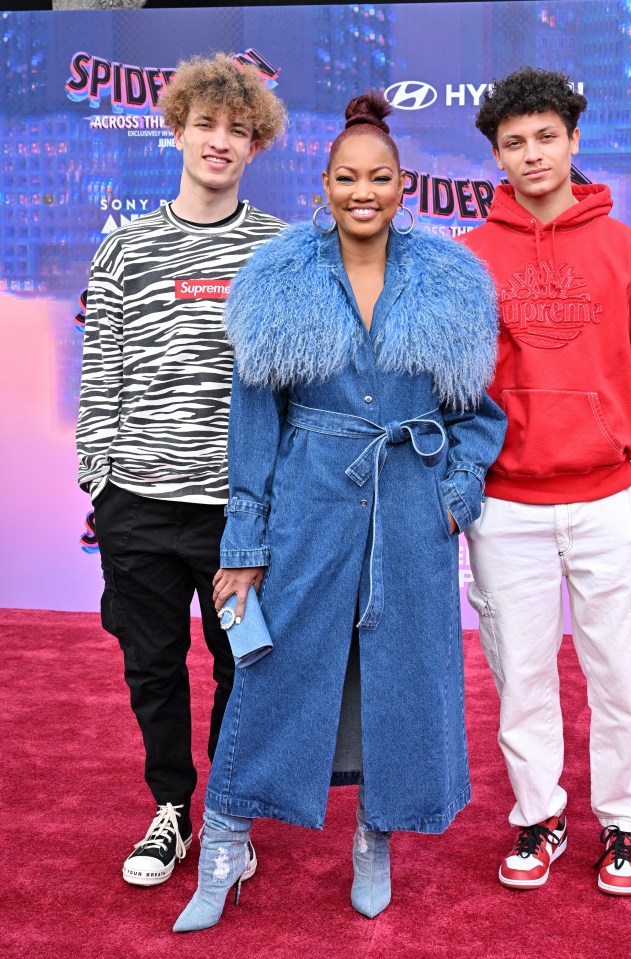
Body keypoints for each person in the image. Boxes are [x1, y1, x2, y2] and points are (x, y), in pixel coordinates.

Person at [172, 91, 507, 932]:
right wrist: (244, 542)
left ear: (404, 186)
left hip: (409, 511)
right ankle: (224, 843)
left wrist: (455, 494)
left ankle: (375, 837)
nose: (365, 192)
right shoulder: (279, 278)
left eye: (381, 177)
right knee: (272, 670)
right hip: (308, 508)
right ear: (323, 183)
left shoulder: (452, 281)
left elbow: (479, 413)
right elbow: (252, 426)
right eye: (347, 177)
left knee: (396, 680)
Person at [459, 67, 631, 896]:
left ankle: (624, 824)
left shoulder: (629, 250)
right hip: (506, 505)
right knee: (521, 676)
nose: (532, 154)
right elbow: (454, 385)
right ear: (497, 156)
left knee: (620, 674)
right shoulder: (471, 257)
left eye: (545, 136)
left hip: (607, 501)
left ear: (573, 139)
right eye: (514, 143)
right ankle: (539, 815)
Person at [75, 53, 287, 888]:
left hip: (237, 513)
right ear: (176, 128)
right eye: (206, 124)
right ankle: (172, 808)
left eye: (239, 130)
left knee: (243, 668)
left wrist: (267, 503)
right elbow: (102, 368)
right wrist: (101, 477)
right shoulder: (124, 247)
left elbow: (295, 382)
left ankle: (230, 812)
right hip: (137, 505)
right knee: (152, 666)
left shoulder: (277, 250)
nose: (221, 141)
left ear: (257, 144)